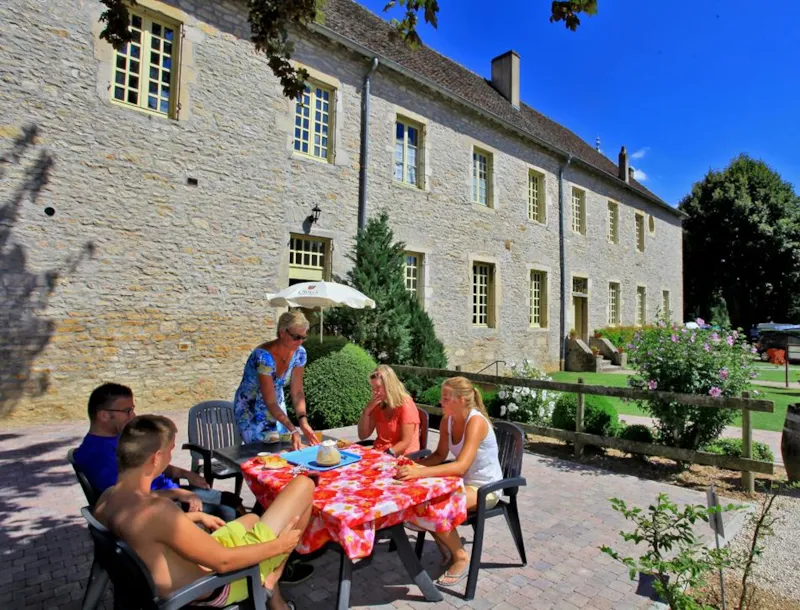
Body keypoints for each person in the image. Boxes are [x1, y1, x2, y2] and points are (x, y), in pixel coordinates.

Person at [93, 414, 313, 610]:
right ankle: (272, 580)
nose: (170, 458)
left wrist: (196, 516)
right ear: (156, 458)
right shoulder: (158, 512)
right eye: (170, 451)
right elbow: (224, 562)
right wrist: (280, 546)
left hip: (190, 570)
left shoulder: (108, 498)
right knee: (305, 484)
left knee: (252, 518)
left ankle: (273, 586)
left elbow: (142, 534)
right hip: (217, 583)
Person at [74, 383, 241, 522]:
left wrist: (186, 473)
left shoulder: (119, 437)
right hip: (156, 505)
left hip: (168, 493)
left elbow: (149, 463)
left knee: (231, 500)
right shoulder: (96, 454)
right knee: (230, 512)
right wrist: (179, 493)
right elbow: (125, 499)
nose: (133, 416)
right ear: (103, 415)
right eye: (126, 411)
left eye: (132, 409)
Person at [395, 376, 503, 587]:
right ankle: (446, 544)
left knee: (437, 505)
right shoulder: (448, 420)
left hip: (485, 487)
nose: (441, 402)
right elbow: (439, 455)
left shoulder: (476, 422)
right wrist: (415, 466)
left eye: (446, 398)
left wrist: (419, 473)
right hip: (461, 482)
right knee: (420, 498)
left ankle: (461, 556)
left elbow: (461, 466)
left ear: (462, 399)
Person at [234, 311, 319, 449]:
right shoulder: (263, 357)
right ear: (282, 332)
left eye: (304, 337)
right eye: (296, 337)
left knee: (286, 449)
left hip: (277, 405)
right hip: (251, 408)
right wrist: (292, 428)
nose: (300, 342)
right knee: (264, 453)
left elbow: (297, 392)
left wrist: (303, 422)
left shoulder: (300, 353)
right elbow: (270, 401)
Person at [357, 365, 420, 456]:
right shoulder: (379, 404)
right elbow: (363, 435)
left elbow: (405, 442)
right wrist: (366, 411)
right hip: (381, 453)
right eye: (373, 388)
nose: (375, 392)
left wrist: (384, 455)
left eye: (378, 387)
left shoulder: (406, 404)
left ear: (389, 385)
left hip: (403, 457)